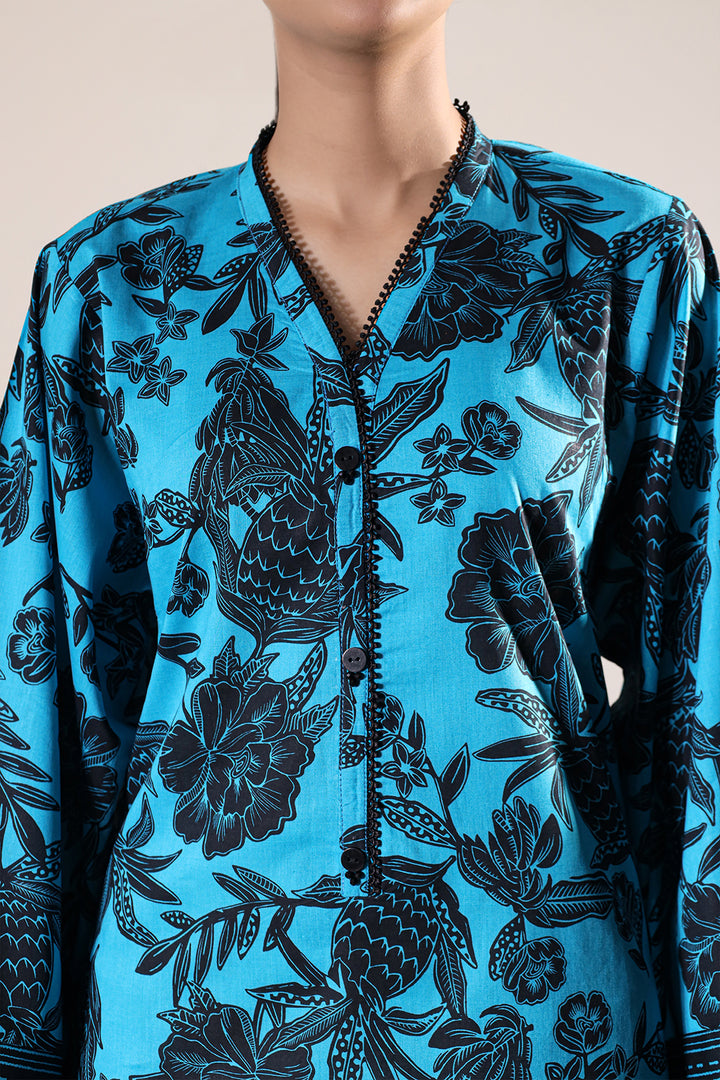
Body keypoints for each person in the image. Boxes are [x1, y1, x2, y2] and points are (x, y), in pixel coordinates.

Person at [1, 1, 719, 1077]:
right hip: (192, 1025)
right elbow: (41, 703)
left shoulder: (623, 258)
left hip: (538, 1020)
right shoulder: (111, 287)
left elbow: (701, 693)